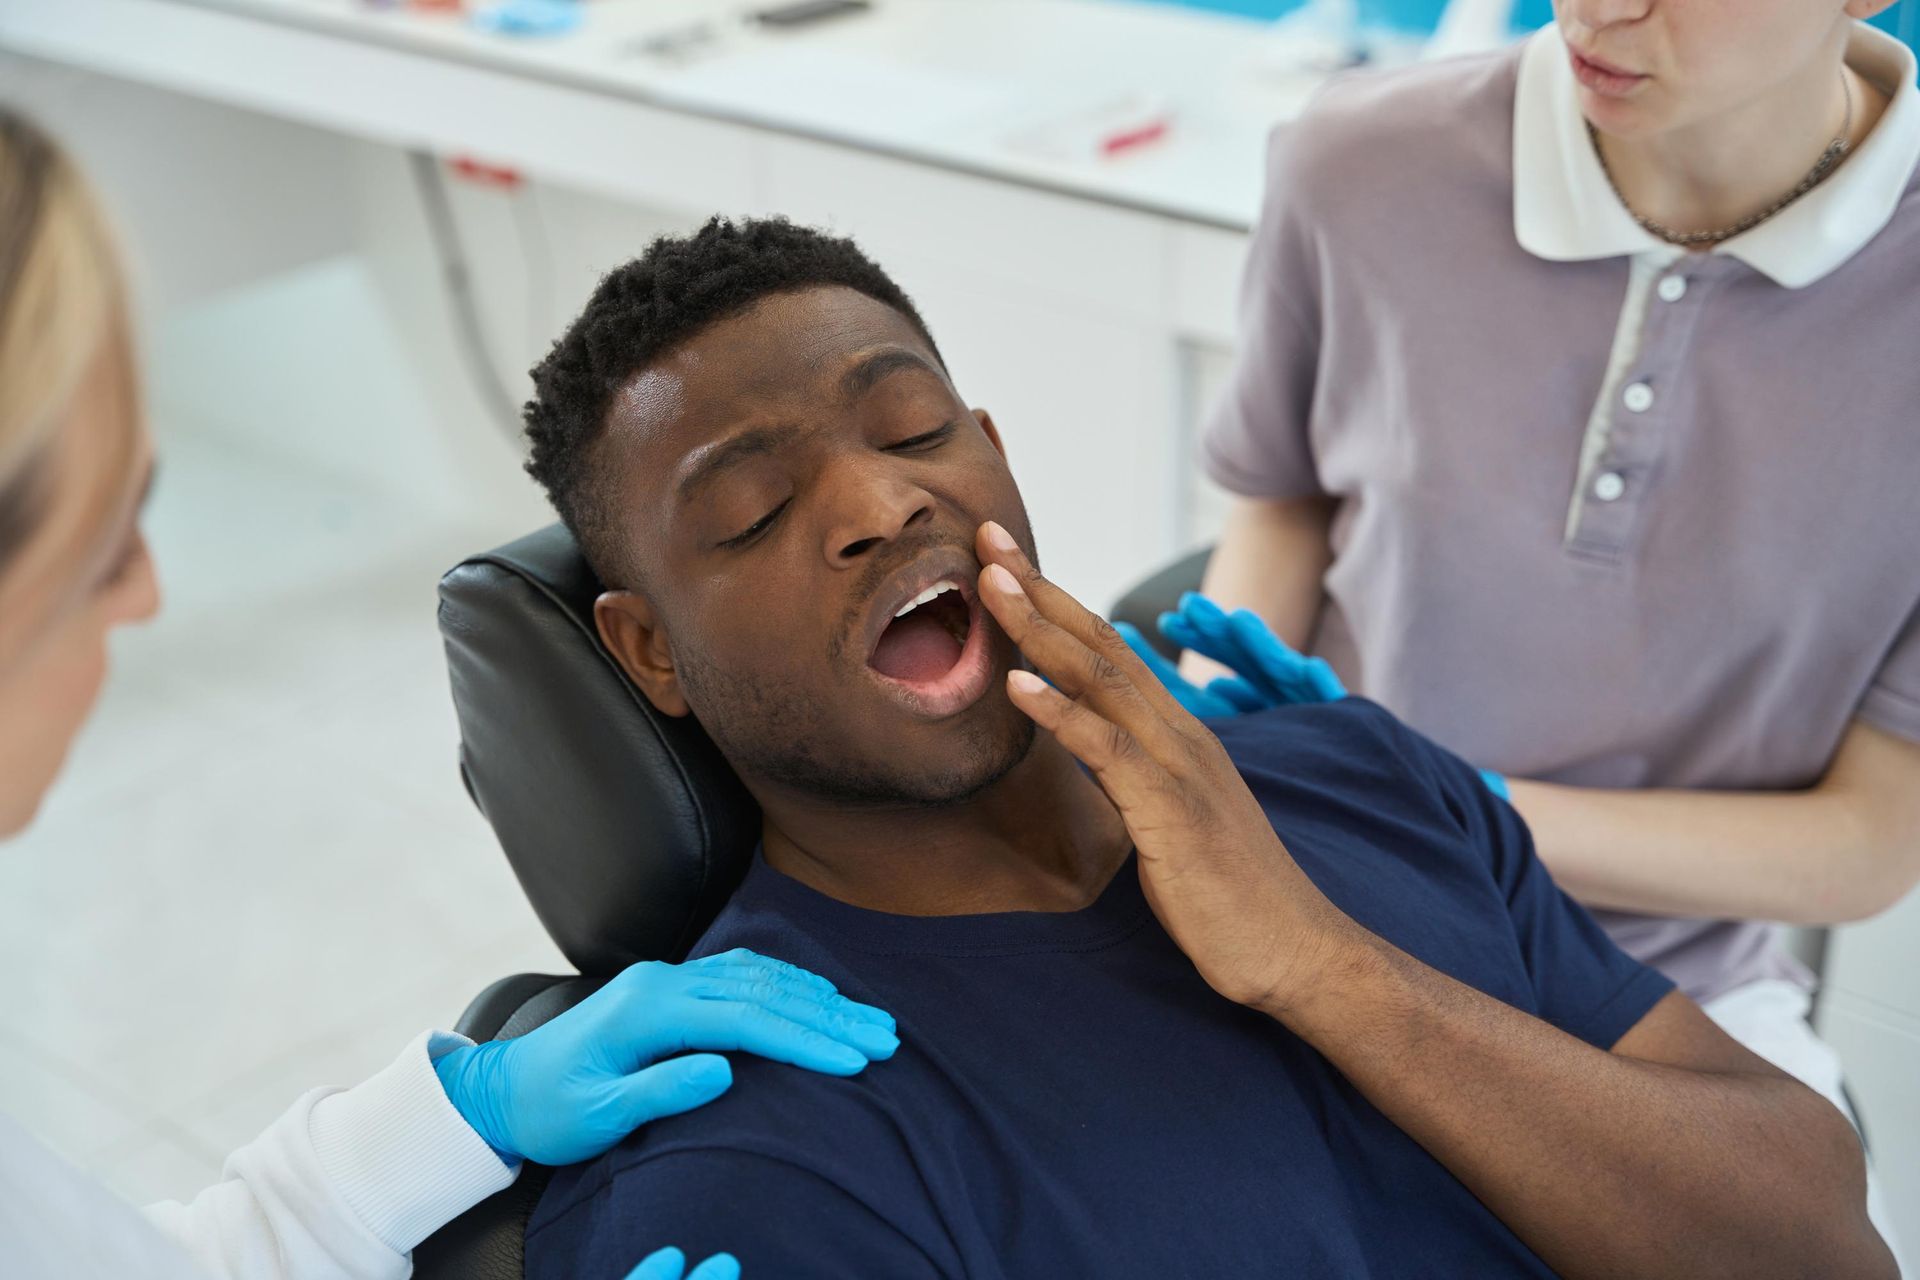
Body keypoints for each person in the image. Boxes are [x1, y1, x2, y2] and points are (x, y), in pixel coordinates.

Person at [504, 217, 1891, 1278]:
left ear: (991, 452)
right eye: (750, 510)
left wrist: (1323, 965)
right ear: (649, 652)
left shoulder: (1356, 774)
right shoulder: (755, 1147)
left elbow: (1822, 1241)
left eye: (914, 428)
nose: (880, 498)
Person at [0, 108, 902, 1280]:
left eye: (917, 429)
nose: (149, 592)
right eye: (106, 544)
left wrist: (444, 1121)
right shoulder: (756, 1174)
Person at [1187, 0, 1920, 1247]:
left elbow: (1866, 841)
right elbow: (1285, 508)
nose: (1597, 9)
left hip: (1676, 994)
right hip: (1316, 900)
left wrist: (1452, 806)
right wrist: (1208, 769)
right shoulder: (1355, 161)